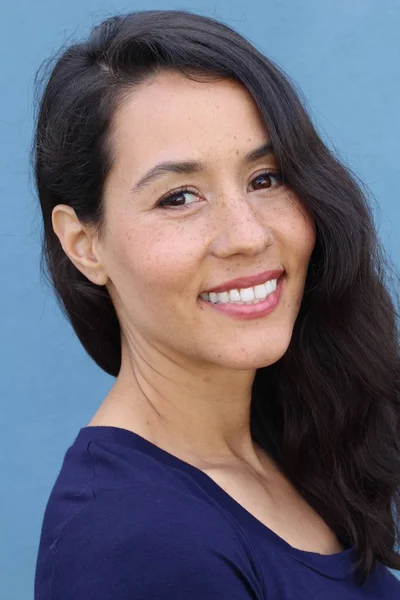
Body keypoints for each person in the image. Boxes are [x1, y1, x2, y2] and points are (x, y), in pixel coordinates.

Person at [33, 9, 400, 599]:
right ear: (85, 244)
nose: (249, 235)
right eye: (179, 197)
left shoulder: (289, 445)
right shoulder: (137, 545)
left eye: (266, 178)